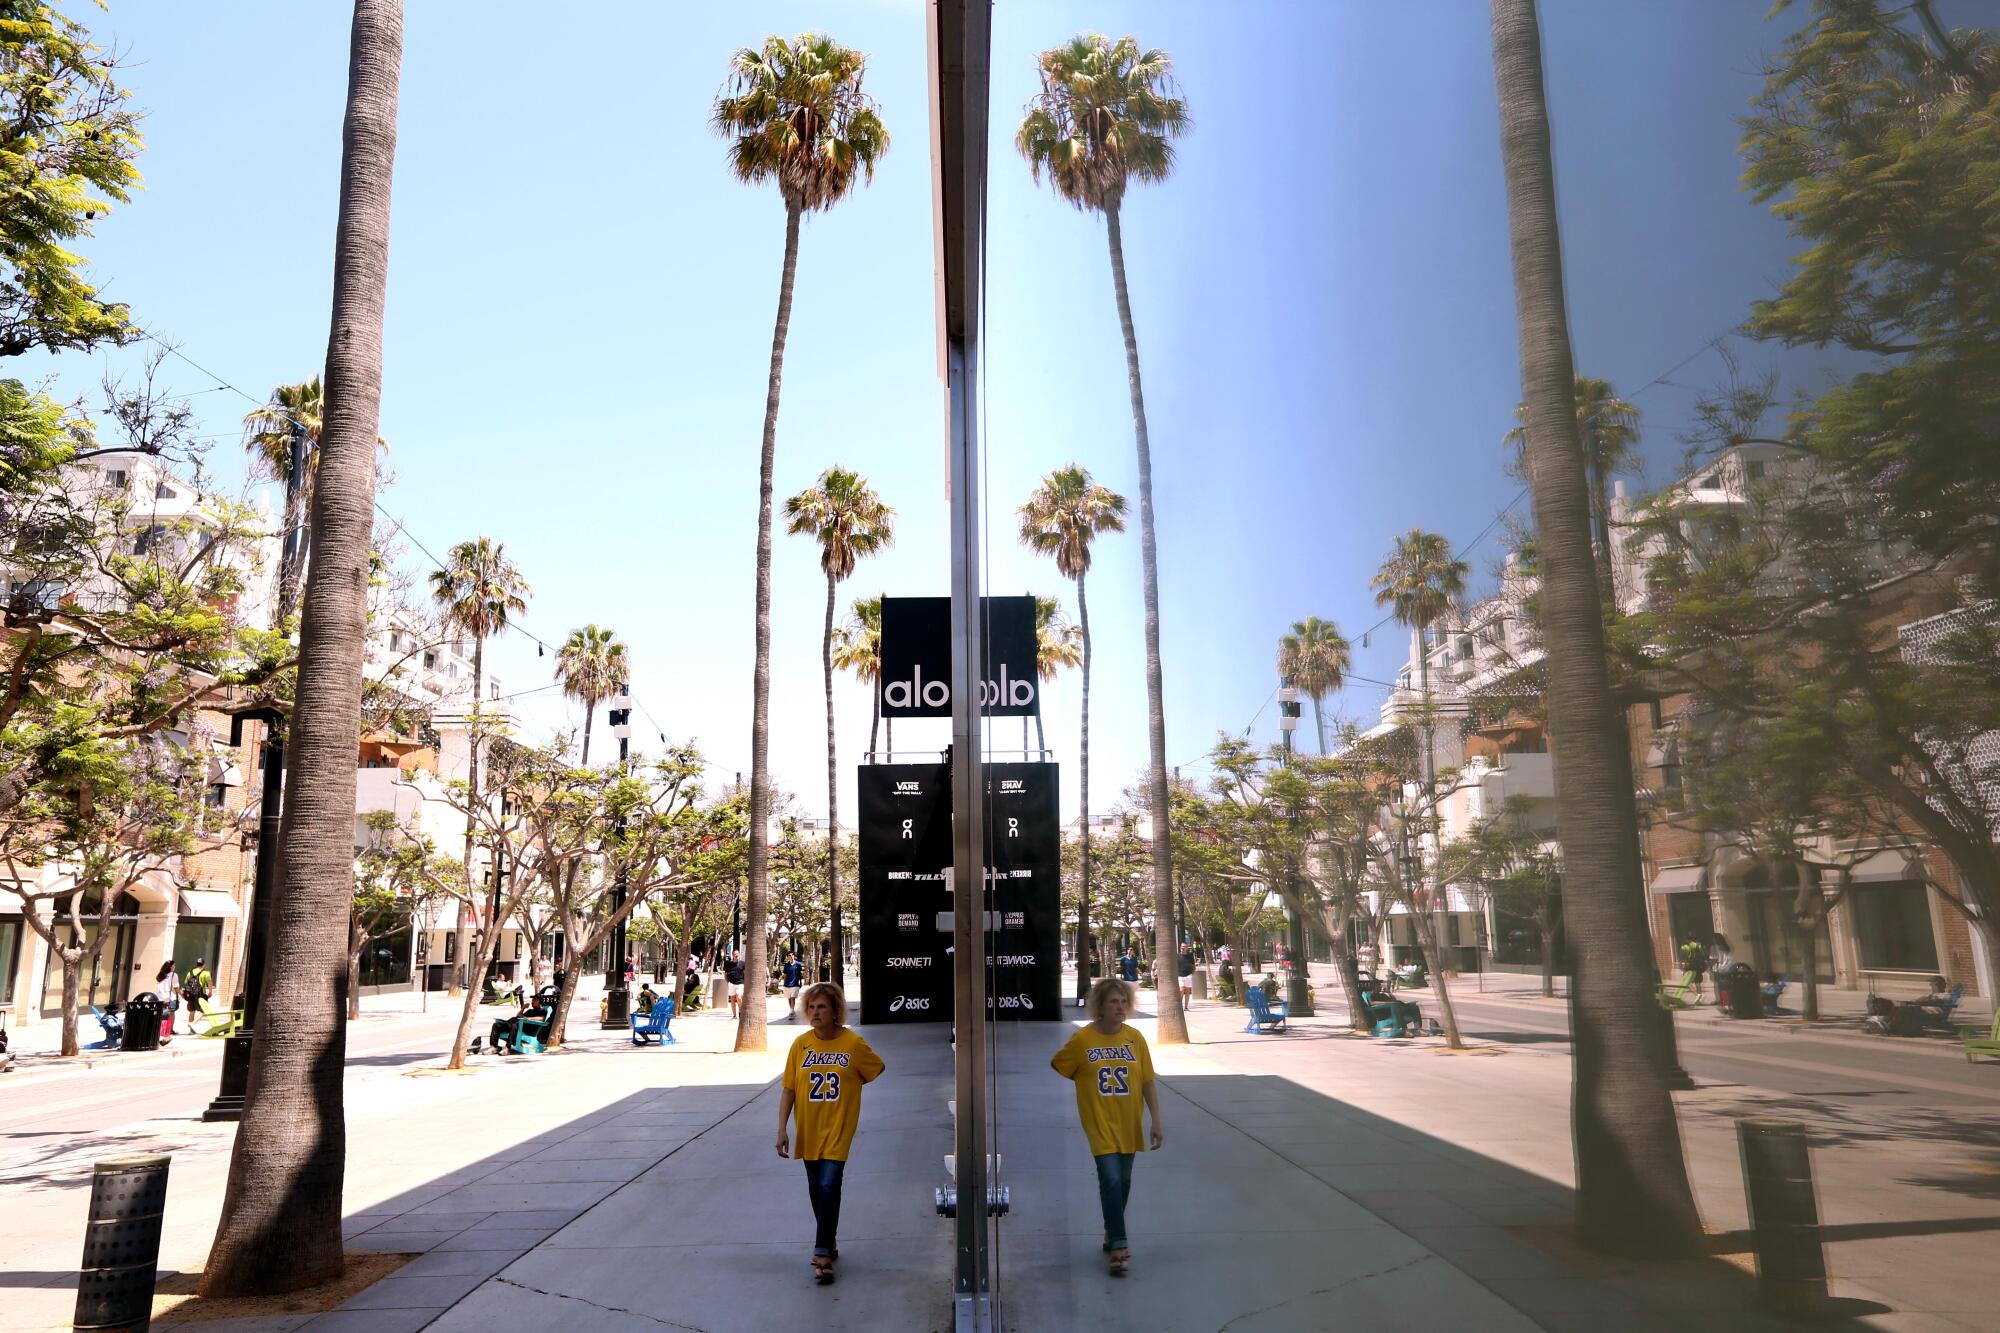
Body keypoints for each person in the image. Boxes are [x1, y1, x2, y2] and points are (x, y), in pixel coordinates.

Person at [1052, 978, 1163, 1277]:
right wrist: (1088, 1084)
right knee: (1111, 1178)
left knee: (1123, 1181)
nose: (1120, 1007)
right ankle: (1119, 1246)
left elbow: (1147, 1080)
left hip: (1129, 1122)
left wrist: (1156, 1120)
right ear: (1099, 1006)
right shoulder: (1083, 1039)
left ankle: (1110, 1232)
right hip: (1099, 1123)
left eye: (1123, 1002)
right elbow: (1061, 1065)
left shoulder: (1135, 1039)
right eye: (1113, 1002)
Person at [776, 983, 884, 1285]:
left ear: (835, 1010)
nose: (815, 1012)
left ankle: (822, 1253)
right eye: (811, 1007)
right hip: (808, 1128)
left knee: (828, 1184)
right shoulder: (801, 1045)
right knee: (816, 1188)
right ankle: (830, 1241)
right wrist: (782, 1129)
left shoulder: (852, 1044)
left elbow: (876, 1068)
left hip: (838, 1128)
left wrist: (849, 1088)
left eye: (821, 1007)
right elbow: (789, 1089)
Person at [154, 960, 181, 1037]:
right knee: (171, 1014)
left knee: (164, 1014)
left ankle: (163, 1030)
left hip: (160, 997)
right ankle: (169, 1030)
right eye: (174, 965)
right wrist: (182, 994)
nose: (175, 967)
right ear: (170, 966)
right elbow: (176, 987)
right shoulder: (174, 975)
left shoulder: (161, 975)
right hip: (170, 997)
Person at [182, 956, 212, 1024]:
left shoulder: (190, 972)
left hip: (191, 995)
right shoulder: (206, 973)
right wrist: (210, 992)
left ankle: (191, 1029)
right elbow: (210, 983)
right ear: (204, 964)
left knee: (192, 1012)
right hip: (201, 995)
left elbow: (186, 983)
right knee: (204, 1011)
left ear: (196, 964)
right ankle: (193, 1024)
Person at [783, 954, 805, 1019]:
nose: (791, 957)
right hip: (787, 984)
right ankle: (792, 1010)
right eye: (789, 956)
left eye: (792, 955)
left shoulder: (798, 964)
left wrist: (800, 983)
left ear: (794, 956)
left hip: (795, 984)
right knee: (789, 999)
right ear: (787, 957)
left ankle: (791, 1012)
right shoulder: (786, 965)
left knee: (793, 998)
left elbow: (800, 974)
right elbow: (785, 975)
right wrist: (784, 984)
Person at [726, 950, 746, 1018]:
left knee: (739, 997)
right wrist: (727, 982)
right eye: (735, 954)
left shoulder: (743, 963)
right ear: (733, 955)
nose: (736, 955)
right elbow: (726, 974)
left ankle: (740, 1010)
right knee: (732, 999)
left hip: (740, 983)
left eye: (737, 954)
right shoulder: (729, 964)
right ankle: (734, 1015)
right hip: (731, 983)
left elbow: (745, 973)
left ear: (739, 955)